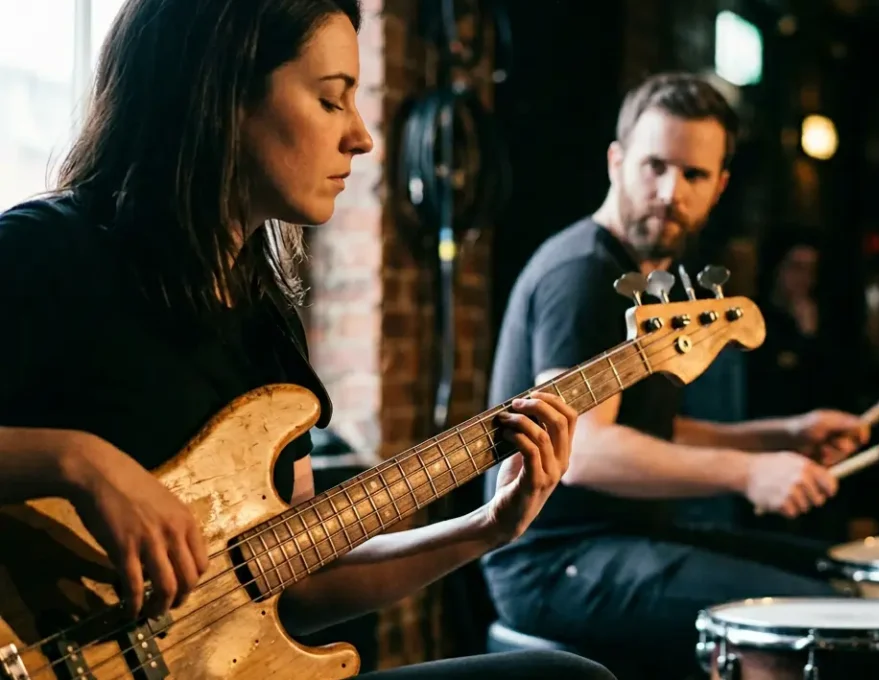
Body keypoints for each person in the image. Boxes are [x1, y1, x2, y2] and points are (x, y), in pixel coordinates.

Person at [0, 1, 613, 679]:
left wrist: (485, 529)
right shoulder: (44, 254)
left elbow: (289, 583)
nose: (362, 137)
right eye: (330, 100)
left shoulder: (266, 324)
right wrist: (78, 463)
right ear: (223, 94)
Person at [480, 72, 870, 677]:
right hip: (556, 561)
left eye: (693, 175)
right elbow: (584, 448)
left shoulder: (646, 274)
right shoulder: (584, 274)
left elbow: (650, 433)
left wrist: (784, 436)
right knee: (816, 617)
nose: (670, 191)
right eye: (654, 166)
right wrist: (748, 473)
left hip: (622, 541)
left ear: (720, 186)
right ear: (616, 161)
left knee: (833, 575)